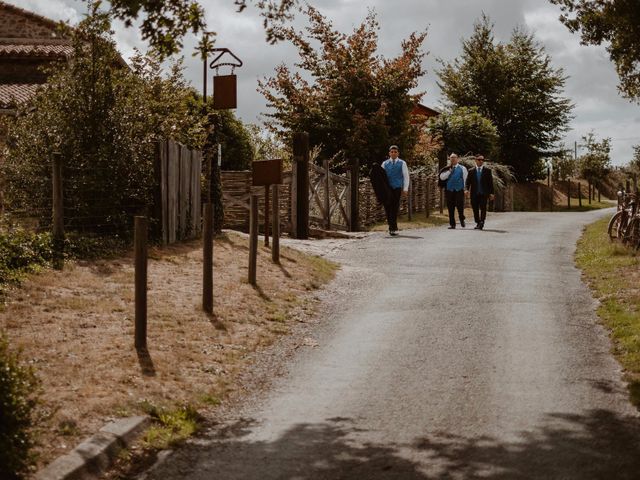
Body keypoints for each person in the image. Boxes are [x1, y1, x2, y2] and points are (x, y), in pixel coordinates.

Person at [382, 145, 409, 236]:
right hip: (387, 189)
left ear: (398, 153)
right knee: (388, 207)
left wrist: (405, 189)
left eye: (395, 152)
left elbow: (406, 176)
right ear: (389, 153)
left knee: (395, 206)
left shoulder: (402, 163)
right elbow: (381, 177)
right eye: (392, 152)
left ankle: (392, 227)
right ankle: (392, 226)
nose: (393, 153)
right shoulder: (384, 164)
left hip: (397, 187)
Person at [465, 154, 495, 230]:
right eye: (479, 159)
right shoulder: (471, 171)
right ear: (475, 160)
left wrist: (491, 193)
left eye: (482, 160)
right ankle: (478, 222)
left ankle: (482, 222)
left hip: (484, 193)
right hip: (474, 194)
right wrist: (466, 189)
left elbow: (490, 183)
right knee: (475, 209)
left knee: (483, 208)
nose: (481, 161)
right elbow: (467, 182)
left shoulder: (487, 171)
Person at [439, 153, 467, 229]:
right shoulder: (447, 168)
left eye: (454, 157)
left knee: (460, 206)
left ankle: (461, 218)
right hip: (449, 190)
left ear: (457, 159)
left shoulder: (462, 168)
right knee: (450, 207)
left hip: (459, 189)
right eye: (451, 158)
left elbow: (465, 179)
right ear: (449, 159)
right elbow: (442, 178)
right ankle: (452, 224)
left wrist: (465, 189)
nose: (453, 159)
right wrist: (449, 172)